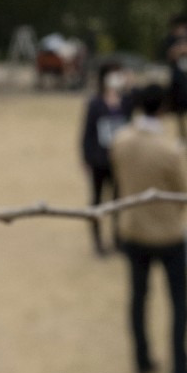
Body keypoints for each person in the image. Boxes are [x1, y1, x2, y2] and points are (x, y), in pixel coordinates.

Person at [110, 84, 187, 373]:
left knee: (138, 299)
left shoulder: (121, 141)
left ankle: (141, 359)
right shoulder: (170, 150)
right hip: (168, 235)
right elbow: (185, 193)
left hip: (133, 230)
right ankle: (180, 368)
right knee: (180, 303)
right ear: (165, 109)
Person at [80, 66, 132, 255]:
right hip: (98, 161)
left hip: (119, 161)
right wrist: (85, 158)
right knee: (97, 200)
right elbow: (86, 133)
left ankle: (118, 239)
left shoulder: (126, 102)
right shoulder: (95, 103)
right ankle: (98, 242)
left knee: (118, 201)